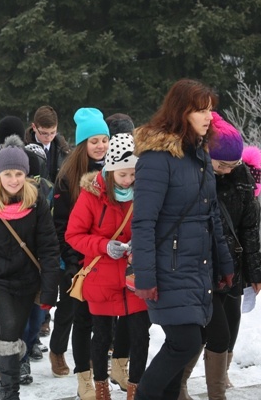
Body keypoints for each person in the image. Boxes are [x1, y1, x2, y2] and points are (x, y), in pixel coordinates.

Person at [131, 79, 234, 400]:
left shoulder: (199, 154)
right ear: (181, 111)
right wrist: (145, 276)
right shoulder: (157, 159)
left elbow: (211, 215)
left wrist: (225, 263)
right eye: (200, 110)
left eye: (210, 110)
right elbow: (143, 221)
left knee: (191, 344)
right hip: (168, 268)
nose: (208, 117)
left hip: (198, 267)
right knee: (184, 343)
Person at [0, 144, 60, 399]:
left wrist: (49, 289)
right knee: (10, 325)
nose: (13, 180)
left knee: (26, 328)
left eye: (18, 174)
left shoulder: (36, 203)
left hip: (28, 279)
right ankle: (9, 393)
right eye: (8, 174)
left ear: (25, 174)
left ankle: (14, 373)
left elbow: (49, 248)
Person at [177, 113, 261, 400]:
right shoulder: (194, 175)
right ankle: (184, 384)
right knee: (208, 332)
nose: (227, 170)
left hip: (233, 264)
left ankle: (217, 381)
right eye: (222, 164)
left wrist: (255, 271)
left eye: (233, 164)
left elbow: (250, 226)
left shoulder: (242, 176)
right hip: (203, 265)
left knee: (229, 326)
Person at [65, 133, 149, 400]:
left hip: (134, 277)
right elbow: (73, 235)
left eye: (133, 174)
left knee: (140, 335)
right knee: (101, 336)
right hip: (101, 277)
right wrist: (103, 245)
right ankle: (101, 387)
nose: (129, 181)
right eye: (123, 175)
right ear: (110, 170)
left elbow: (155, 226)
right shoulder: (92, 195)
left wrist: (142, 243)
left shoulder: (144, 193)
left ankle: (135, 388)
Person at [51, 107, 110, 400]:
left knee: (105, 321)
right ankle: (83, 376)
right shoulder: (68, 177)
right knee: (80, 317)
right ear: (83, 144)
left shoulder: (117, 170)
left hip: (108, 259)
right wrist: (72, 261)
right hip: (78, 261)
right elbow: (60, 225)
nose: (100, 145)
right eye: (94, 140)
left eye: (104, 139)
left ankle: (102, 372)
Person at [25, 105, 71, 183]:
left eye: (53, 132)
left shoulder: (64, 150)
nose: (49, 137)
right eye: (44, 133)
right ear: (34, 127)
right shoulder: (24, 149)